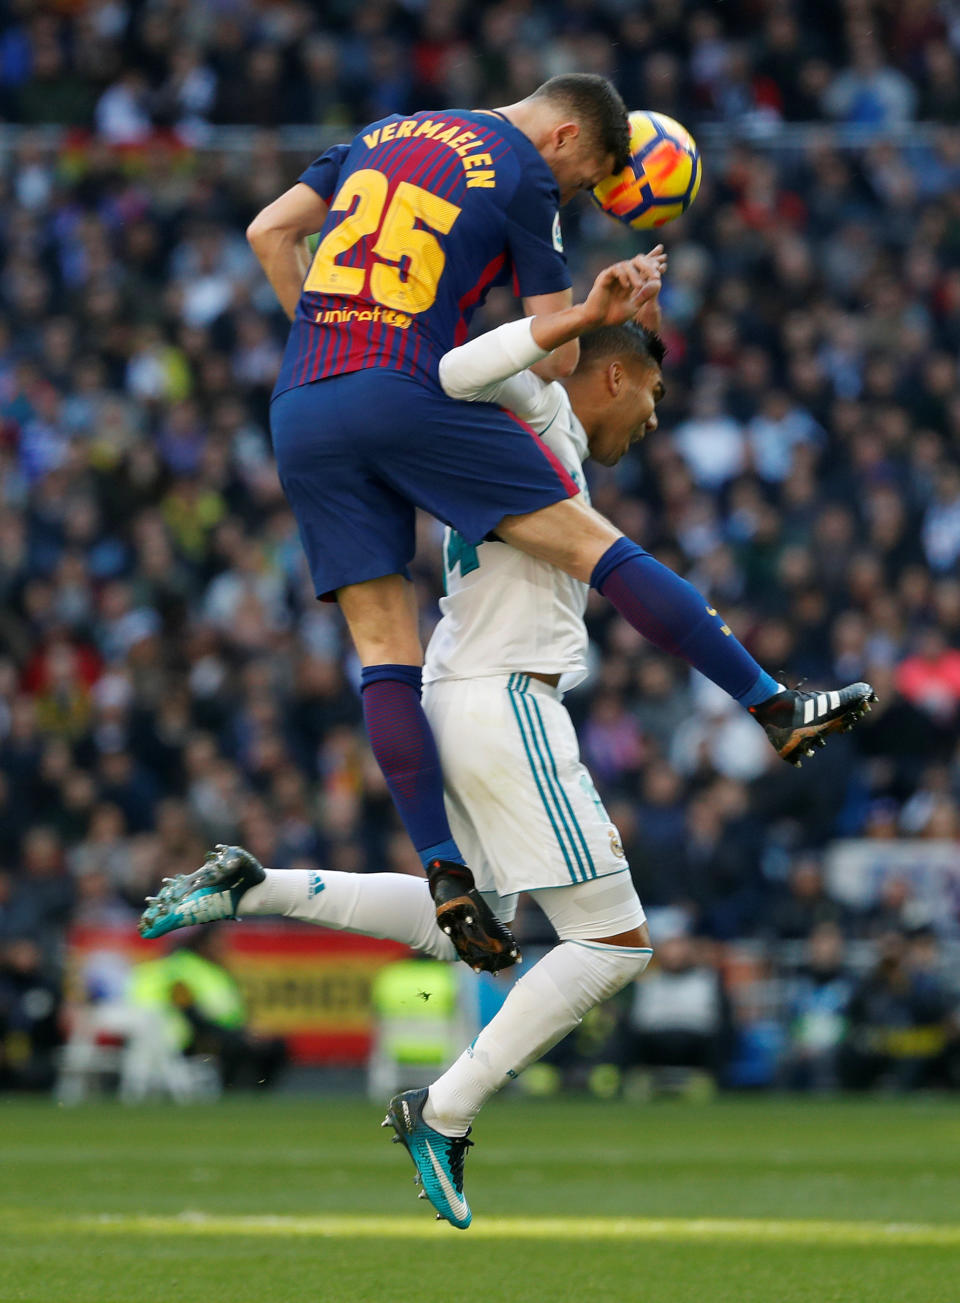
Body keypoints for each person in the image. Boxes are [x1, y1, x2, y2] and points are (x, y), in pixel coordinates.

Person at [141, 263, 870, 1228]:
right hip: (503, 696)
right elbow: (455, 365)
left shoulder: (544, 430)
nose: (655, 417)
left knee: (471, 918)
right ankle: (442, 1109)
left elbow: (527, 374)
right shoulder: (529, 403)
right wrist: (587, 316)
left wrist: (626, 321)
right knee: (613, 945)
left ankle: (253, 885)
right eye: (652, 391)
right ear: (608, 376)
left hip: (462, 690)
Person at [244, 73, 875, 974]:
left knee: (383, 649)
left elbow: (269, 231)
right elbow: (565, 347)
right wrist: (593, 307)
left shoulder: (380, 130)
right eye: (587, 184)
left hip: (303, 402)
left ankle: (443, 869)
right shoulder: (523, 168)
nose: (577, 196)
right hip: (400, 385)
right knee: (593, 545)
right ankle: (771, 703)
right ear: (569, 138)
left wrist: (327, 354)